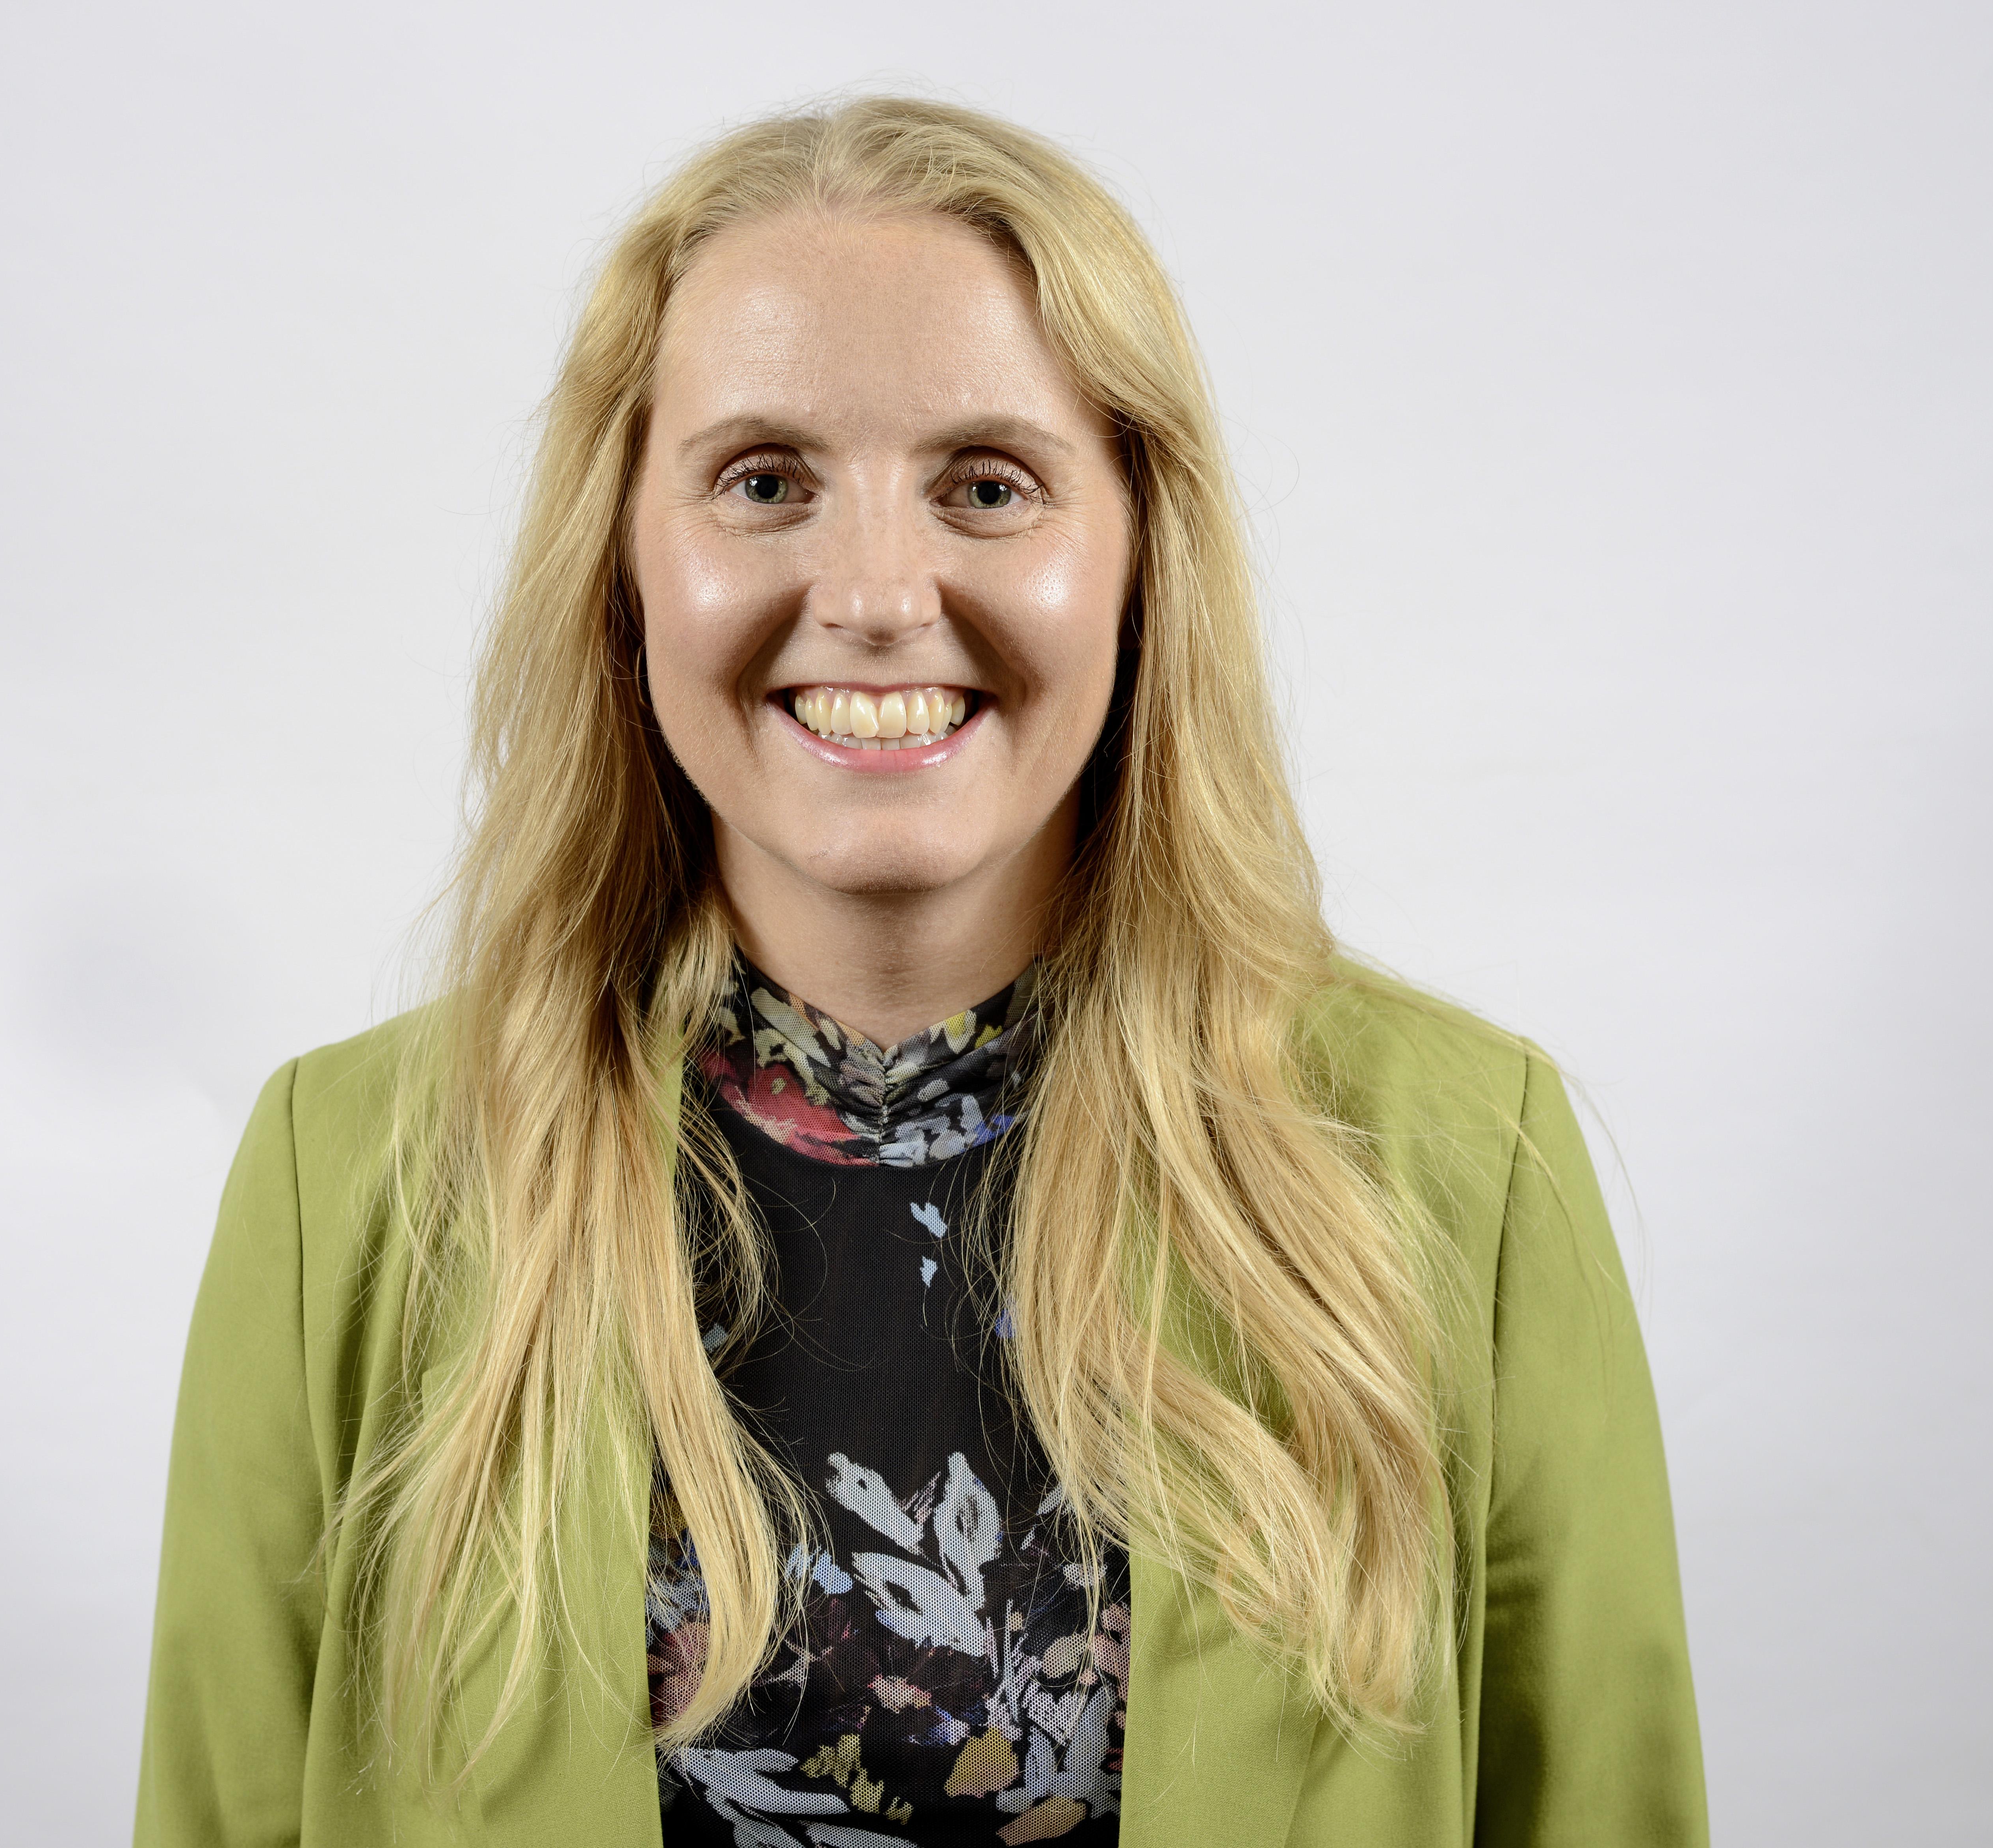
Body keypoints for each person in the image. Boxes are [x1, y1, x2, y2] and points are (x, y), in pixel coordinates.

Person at [133, 96, 1706, 1848]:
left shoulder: (1454, 1173)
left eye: (984, 484)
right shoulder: (343, 1184)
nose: (876, 591)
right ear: (626, 563)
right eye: (762, 481)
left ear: (1132, 558)